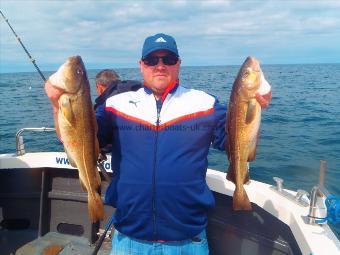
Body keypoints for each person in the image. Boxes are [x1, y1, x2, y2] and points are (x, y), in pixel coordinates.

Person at [45, 33, 272, 255]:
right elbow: (80, 136)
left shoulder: (205, 103)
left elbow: (235, 142)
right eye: (152, 60)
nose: (160, 65)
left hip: (188, 241)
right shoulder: (115, 105)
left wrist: (253, 111)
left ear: (179, 64)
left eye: (168, 60)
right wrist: (57, 106)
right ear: (141, 65)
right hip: (129, 239)